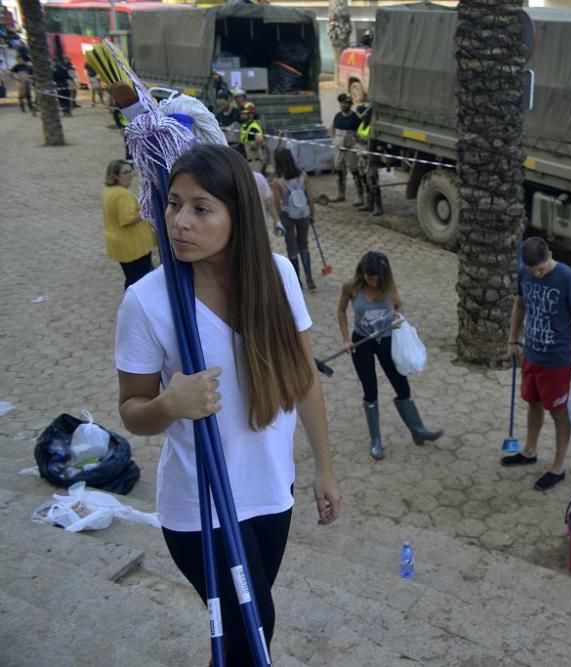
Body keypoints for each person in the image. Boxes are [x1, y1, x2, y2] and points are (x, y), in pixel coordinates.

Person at [115, 144, 342, 664]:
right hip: (201, 505)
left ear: (236, 214)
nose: (180, 222)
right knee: (253, 630)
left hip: (271, 492)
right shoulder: (147, 302)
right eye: (173, 204)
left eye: (201, 208)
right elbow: (132, 408)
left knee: (252, 632)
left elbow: (305, 379)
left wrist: (324, 468)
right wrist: (170, 404)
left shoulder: (278, 276)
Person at [337, 251, 443, 460]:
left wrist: (396, 318)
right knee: (370, 389)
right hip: (362, 342)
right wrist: (345, 339)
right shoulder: (351, 287)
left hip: (386, 341)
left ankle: (418, 430)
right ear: (362, 272)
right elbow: (341, 311)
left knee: (401, 384)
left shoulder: (389, 287)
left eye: (377, 277)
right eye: (370, 277)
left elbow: (398, 305)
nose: (374, 281)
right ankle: (376, 440)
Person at [503, 237, 571, 491]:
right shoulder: (525, 274)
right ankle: (529, 451)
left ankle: (558, 467)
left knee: (558, 412)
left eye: (541, 268)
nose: (538, 274)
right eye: (533, 271)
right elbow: (520, 305)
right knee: (533, 402)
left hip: (557, 361)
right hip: (532, 354)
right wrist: (512, 340)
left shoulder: (569, 279)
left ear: (550, 254)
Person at [102, 160, 156, 290]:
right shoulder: (122, 195)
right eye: (125, 173)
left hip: (121, 244)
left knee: (133, 276)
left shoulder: (109, 190)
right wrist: (146, 210)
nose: (130, 175)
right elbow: (127, 220)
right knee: (138, 279)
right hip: (133, 246)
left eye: (131, 172)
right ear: (115, 175)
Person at [272, 148, 317, 290]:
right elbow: (310, 198)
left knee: (291, 247)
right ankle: (310, 278)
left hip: (287, 216)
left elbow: (277, 203)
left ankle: (297, 280)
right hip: (303, 214)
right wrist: (312, 215)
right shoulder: (303, 176)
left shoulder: (277, 182)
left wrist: (278, 219)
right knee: (304, 245)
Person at [330, 93, 363, 204]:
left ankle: (360, 197)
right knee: (339, 172)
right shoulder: (338, 116)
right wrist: (334, 140)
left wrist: (357, 145)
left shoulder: (355, 118)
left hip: (350, 149)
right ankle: (341, 194)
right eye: (342, 103)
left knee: (355, 172)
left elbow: (360, 134)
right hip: (339, 149)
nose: (343, 105)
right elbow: (332, 128)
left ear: (350, 104)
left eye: (346, 103)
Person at [356, 105, 384, 216]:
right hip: (361, 156)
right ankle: (369, 204)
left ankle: (378, 207)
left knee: (373, 182)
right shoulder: (362, 126)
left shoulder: (373, 127)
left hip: (371, 158)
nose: (361, 118)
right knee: (364, 180)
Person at [239, 102, 266, 174]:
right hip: (248, 160)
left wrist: (253, 146)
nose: (242, 115)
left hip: (254, 161)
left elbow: (260, 139)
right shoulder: (245, 126)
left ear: (250, 115)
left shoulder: (253, 126)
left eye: (244, 114)